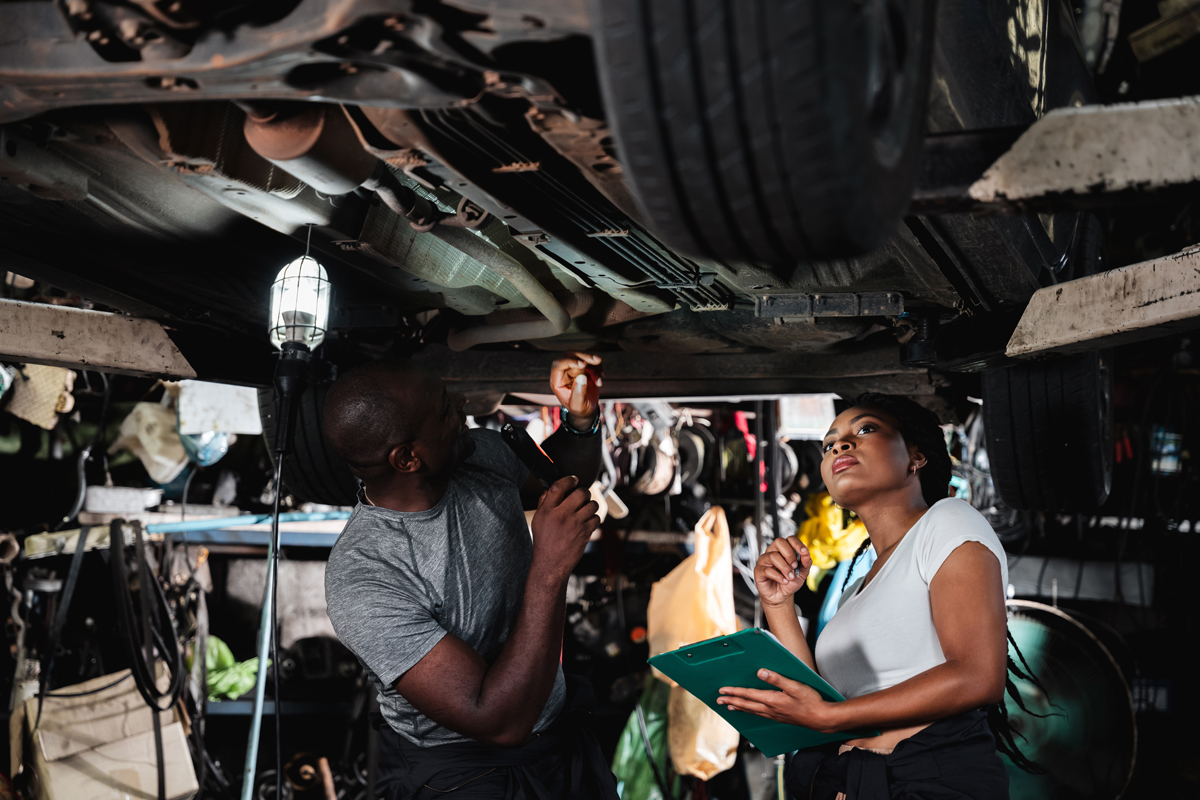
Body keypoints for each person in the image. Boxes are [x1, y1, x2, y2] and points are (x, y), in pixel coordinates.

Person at [321, 352, 619, 800]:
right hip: (467, 776)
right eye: (444, 408)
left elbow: (560, 479)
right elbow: (497, 722)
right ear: (406, 459)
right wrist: (550, 569)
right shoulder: (365, 578)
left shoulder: (475, 455)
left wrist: (580, 419)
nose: (461, 403)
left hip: (558, 745)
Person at [717, 393, 1015, 799]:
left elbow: (979, 676)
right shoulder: (858, 587)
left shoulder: (947, 520)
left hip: (927, 783)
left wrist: (831, 716)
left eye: (866, 429)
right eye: (828, 443)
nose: (840, 444)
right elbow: (815, 701)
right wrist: (778, 604)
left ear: (916, 456)